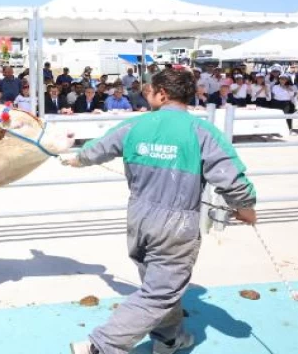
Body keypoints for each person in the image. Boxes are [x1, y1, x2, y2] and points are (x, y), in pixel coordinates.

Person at [67, 68, 257, 354]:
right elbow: (232, 178)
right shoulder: (202, 132)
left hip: (139, 219)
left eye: (149, 91)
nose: (146, 95)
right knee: (160, 292)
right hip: (176, 225)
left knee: (158, 285)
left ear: (162, 94)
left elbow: (95, 150)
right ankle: (100, 346)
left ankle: (168, 338)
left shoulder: (134, 126)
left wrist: (76, 160)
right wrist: (245, 207)